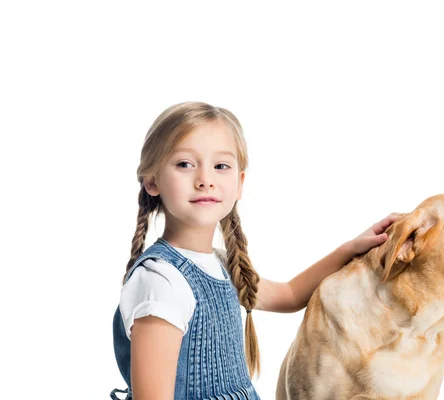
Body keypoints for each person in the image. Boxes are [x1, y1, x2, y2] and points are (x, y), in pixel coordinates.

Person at [110, 101, 403, 400]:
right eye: (185, 164)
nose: (205, 180)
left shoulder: (219, 266)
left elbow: (290, 294)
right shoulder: (162, 281)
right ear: (152, 180)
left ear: (239, 184)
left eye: (220, 166)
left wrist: (352, 248)